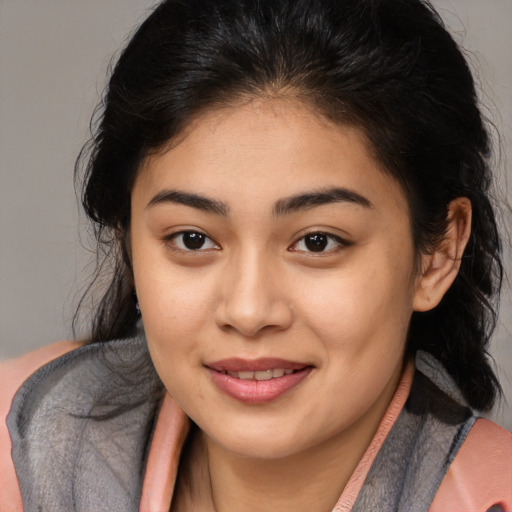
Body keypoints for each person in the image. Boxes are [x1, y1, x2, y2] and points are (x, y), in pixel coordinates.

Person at [1, 0, 511, 510]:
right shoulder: (20, 442)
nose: (248, 311)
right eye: (193, 239)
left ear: (438, 253)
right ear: (128, 244)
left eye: (317, 241)